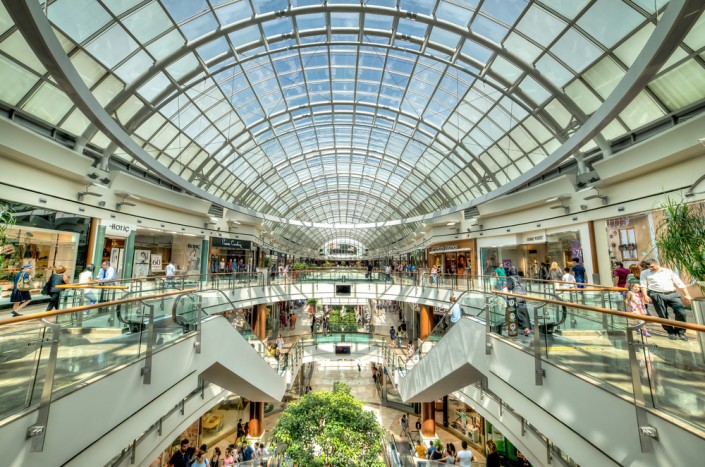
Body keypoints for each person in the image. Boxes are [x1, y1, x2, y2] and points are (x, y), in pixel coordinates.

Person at [640, 258, 692, 341]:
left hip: (672, 294)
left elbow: (679, 283)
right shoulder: (644, 273)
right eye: (649, 267)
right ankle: (670, 332)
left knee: (681, 313)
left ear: (657, 264)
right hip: (657, 294)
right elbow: (643, 285)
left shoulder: (668, 271)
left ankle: (680, 332)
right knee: (663, 314)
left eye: (652, 266)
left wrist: (687, 295)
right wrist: (645, 295)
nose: (651, 268)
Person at [507, 267, 531, 335]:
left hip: (516, 297)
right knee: (524, 311)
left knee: (518, 313)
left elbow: (510, 287)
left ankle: (525, 328)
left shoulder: (510, 278)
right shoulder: (520, 277)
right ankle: (528, 326)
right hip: (523, 296)